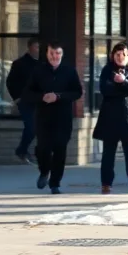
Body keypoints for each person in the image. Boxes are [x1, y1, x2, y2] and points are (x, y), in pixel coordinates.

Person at [25, 41, 83, 195]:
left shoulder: (69, 71)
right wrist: (42, 97)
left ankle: (55, 183)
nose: (55, 56)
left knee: (60, 150)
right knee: (42, 149)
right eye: (52, 53)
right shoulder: (38, 71)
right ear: (47, 54)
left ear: (62, 55)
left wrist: (58, 96)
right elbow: (28, 94)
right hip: (43, 118)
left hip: (63, 118)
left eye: (58, 53)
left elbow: (77, 92)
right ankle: (44, 171)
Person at [92, 42, 128, 195]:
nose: (121, 57)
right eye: (118, 55)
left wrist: (123, 82)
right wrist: (122, 87)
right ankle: (106, 184)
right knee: (108, 154)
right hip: (111, 119)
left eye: (124, 54)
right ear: (113, 56)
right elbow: (105, 89)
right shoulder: (107, 71)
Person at [6, 38, 41, 163]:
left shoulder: (43, 63)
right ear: (30, 47)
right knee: (31, 128)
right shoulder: (19, 63)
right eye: (37, 47)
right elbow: (10, 82)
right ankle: (21, 150)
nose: (39, 50)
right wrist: (17, 97)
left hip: (41, 101)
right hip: (25, 101)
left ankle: (36, 153)